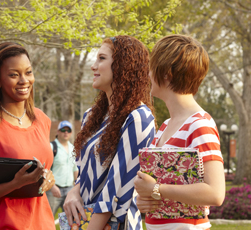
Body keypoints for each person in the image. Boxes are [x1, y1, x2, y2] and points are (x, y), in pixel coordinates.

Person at [63, 35, 156, 229]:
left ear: (123, 66)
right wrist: (73, 192)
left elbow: (118, 188)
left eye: (102, 58)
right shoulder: (91, 117)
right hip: (83, 222)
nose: (93, 66)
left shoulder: (139, 118)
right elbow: (84, 173)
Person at [134, 34, 225, 230]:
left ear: (166, 73)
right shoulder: (166, 126)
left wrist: (156, 189)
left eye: (152, 67)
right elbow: (157, 192)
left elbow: (216, 193)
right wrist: (145, 200)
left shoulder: (200, 125)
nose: (148, 74)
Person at [0, 42, 56, 229]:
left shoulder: (42, 120)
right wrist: (15, 184)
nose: (24, 80)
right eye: (14, 75)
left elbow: (42, 169)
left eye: (28, 72)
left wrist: (49, 178)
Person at [46, 120, 79, 217]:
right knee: (49, 218)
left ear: (71, 133)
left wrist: (76, 187)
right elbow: (44, 169)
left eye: (68, 130)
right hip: (53, 189)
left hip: (69, 190)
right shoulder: (51, 147)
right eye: (63, 130)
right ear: (58, 132)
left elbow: (75, 169)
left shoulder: (73, 148)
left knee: (72, 220)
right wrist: (52, 186)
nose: (66, 132)